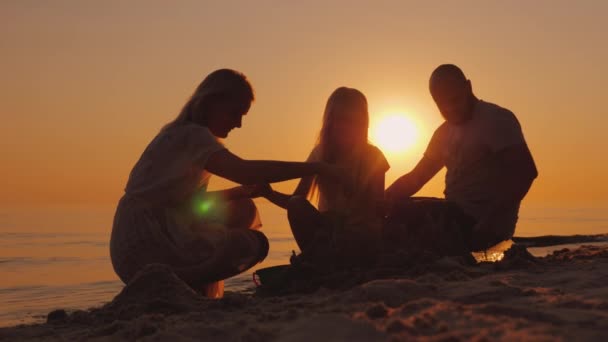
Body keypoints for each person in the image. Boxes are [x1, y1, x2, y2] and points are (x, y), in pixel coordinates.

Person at [110, 69, 340, 297]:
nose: (238, 124)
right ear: (211, 102)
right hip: (149, 241)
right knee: (255, 244)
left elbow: (187, 204)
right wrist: (316, 167)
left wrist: (240, 192)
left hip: (130, 243)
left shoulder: (176, 134)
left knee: (243, 209)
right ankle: (189, 285)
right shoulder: (194, 136)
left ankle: (194, 290)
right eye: (234, 113)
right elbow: (245, 171)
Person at [385, 64, 538, 254]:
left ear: (468, 87)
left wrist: (491, 221)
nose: (450, 108)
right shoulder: (443, 133)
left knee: (407, 219)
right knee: (396, 208)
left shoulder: (496, 119)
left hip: (484, 224)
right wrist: (376, 202)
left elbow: (525, 172)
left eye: (455, 100)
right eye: (442, 104)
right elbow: (416, 178)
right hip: (453, 215)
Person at [264, 87, 390, 266]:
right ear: (330, 121)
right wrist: (268, 193)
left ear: (363, 123)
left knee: (361, 235)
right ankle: (317, 261)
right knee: (296, 204)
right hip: (327, 231)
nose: (346, 126)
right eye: (340, 119)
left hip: (361, 235)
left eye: (353, 121)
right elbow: (295, 200)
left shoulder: (373, 155)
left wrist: (354, 190)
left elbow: (378, 210)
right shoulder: (319, 153)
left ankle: (327, 262)